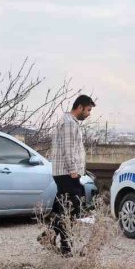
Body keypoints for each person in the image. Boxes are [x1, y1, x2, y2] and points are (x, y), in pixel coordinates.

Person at [40, 94, 95, 256]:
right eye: (88, 110)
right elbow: (69, 149)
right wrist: (73, 170)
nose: (89, 113)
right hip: (67, 173)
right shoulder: (70, 123)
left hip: (63, 172)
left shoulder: (66, 122)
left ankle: (49, 238)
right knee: (71, 209)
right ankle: (65, 247)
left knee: (63, 209)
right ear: (80, 107)